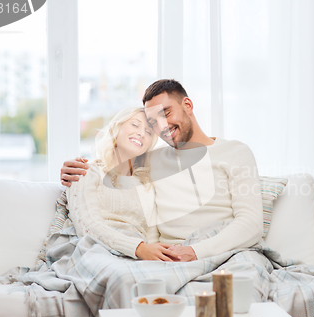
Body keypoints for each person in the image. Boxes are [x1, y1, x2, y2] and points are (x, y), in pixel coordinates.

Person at [61, 79, 263, 262]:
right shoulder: (149, 160)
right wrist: (73, 168)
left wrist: (195, 252)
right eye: (153, 123)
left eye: (166, 113)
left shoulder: (235, 152)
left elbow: (251, 223)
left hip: (223, 250)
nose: (162, 126)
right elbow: (116, 160)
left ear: (188, 105)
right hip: (170, 256)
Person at [66, 106, 179, 261]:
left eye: (148, 132)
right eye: (135, 124)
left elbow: (151, 235)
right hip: (94, 250)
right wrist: (137, 248)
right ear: (116, 128)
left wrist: (154, 255)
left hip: (136, 256)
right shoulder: (87, 172)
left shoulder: (146, 185)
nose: (141, 133)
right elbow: (87, 227)